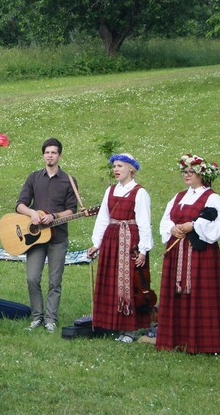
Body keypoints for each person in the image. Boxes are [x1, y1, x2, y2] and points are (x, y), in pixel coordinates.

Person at [157, 154, 220, 354]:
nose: (186, 175)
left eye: (191, 172)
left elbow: (215, 225)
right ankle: (175, 339)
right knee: (176, 294)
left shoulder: (212, 197)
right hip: (177, 251)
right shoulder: (179, 197)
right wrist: (173, 228)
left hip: (199, 254)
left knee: (199, 294)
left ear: (202, 175)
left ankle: (201, 342)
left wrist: (192, 225)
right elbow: (165, 219)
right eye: (185, 172)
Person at [87, 154, 153, 340]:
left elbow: (144, 222)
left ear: (131, 169)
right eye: (114, 166)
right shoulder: (110, 191)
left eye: (120, 166)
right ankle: (113, 324)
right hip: (111, 242)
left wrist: (143, 249)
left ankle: (131, 329)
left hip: (130, 243)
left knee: (130, 284)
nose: (116, 170)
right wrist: (96, 244)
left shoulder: (140, 193)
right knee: (112, 282)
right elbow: (103, 219)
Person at [15, 138, 78, 333]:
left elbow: (72, 210)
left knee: (54, 281)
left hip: (58, 238)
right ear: (43, 155)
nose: (50, 155)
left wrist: (54, 216)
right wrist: (33, 213)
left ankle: (50, 318)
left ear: (59, 155)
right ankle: (36, 316)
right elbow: (20, 204)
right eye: (47, 152)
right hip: (35, 238)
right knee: (32, 278)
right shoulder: (33, 177)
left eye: (53, 152)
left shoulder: (69, 180)